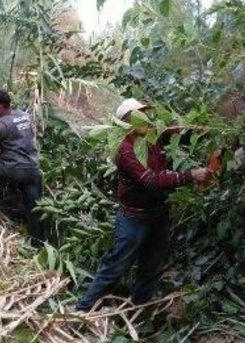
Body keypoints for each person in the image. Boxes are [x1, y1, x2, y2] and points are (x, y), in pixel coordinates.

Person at [76, 98, 212, 312]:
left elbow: (176, 132)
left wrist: (200, 127)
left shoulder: (150, 137)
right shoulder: (126, 151)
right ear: (126, 123)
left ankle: (139, 311)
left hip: (158, 214)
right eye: (139, 115)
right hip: (134, 218)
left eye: (145, 114)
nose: (146, 118)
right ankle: (83, 310)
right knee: (116, 265)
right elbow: (151, 180)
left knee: (151, 266)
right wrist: (190, 175)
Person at [0, 89, 44, 245]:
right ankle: (39, 245)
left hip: (13, 169)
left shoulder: (0, 125)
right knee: (35, 210)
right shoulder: (25, 116)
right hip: (33, 169)